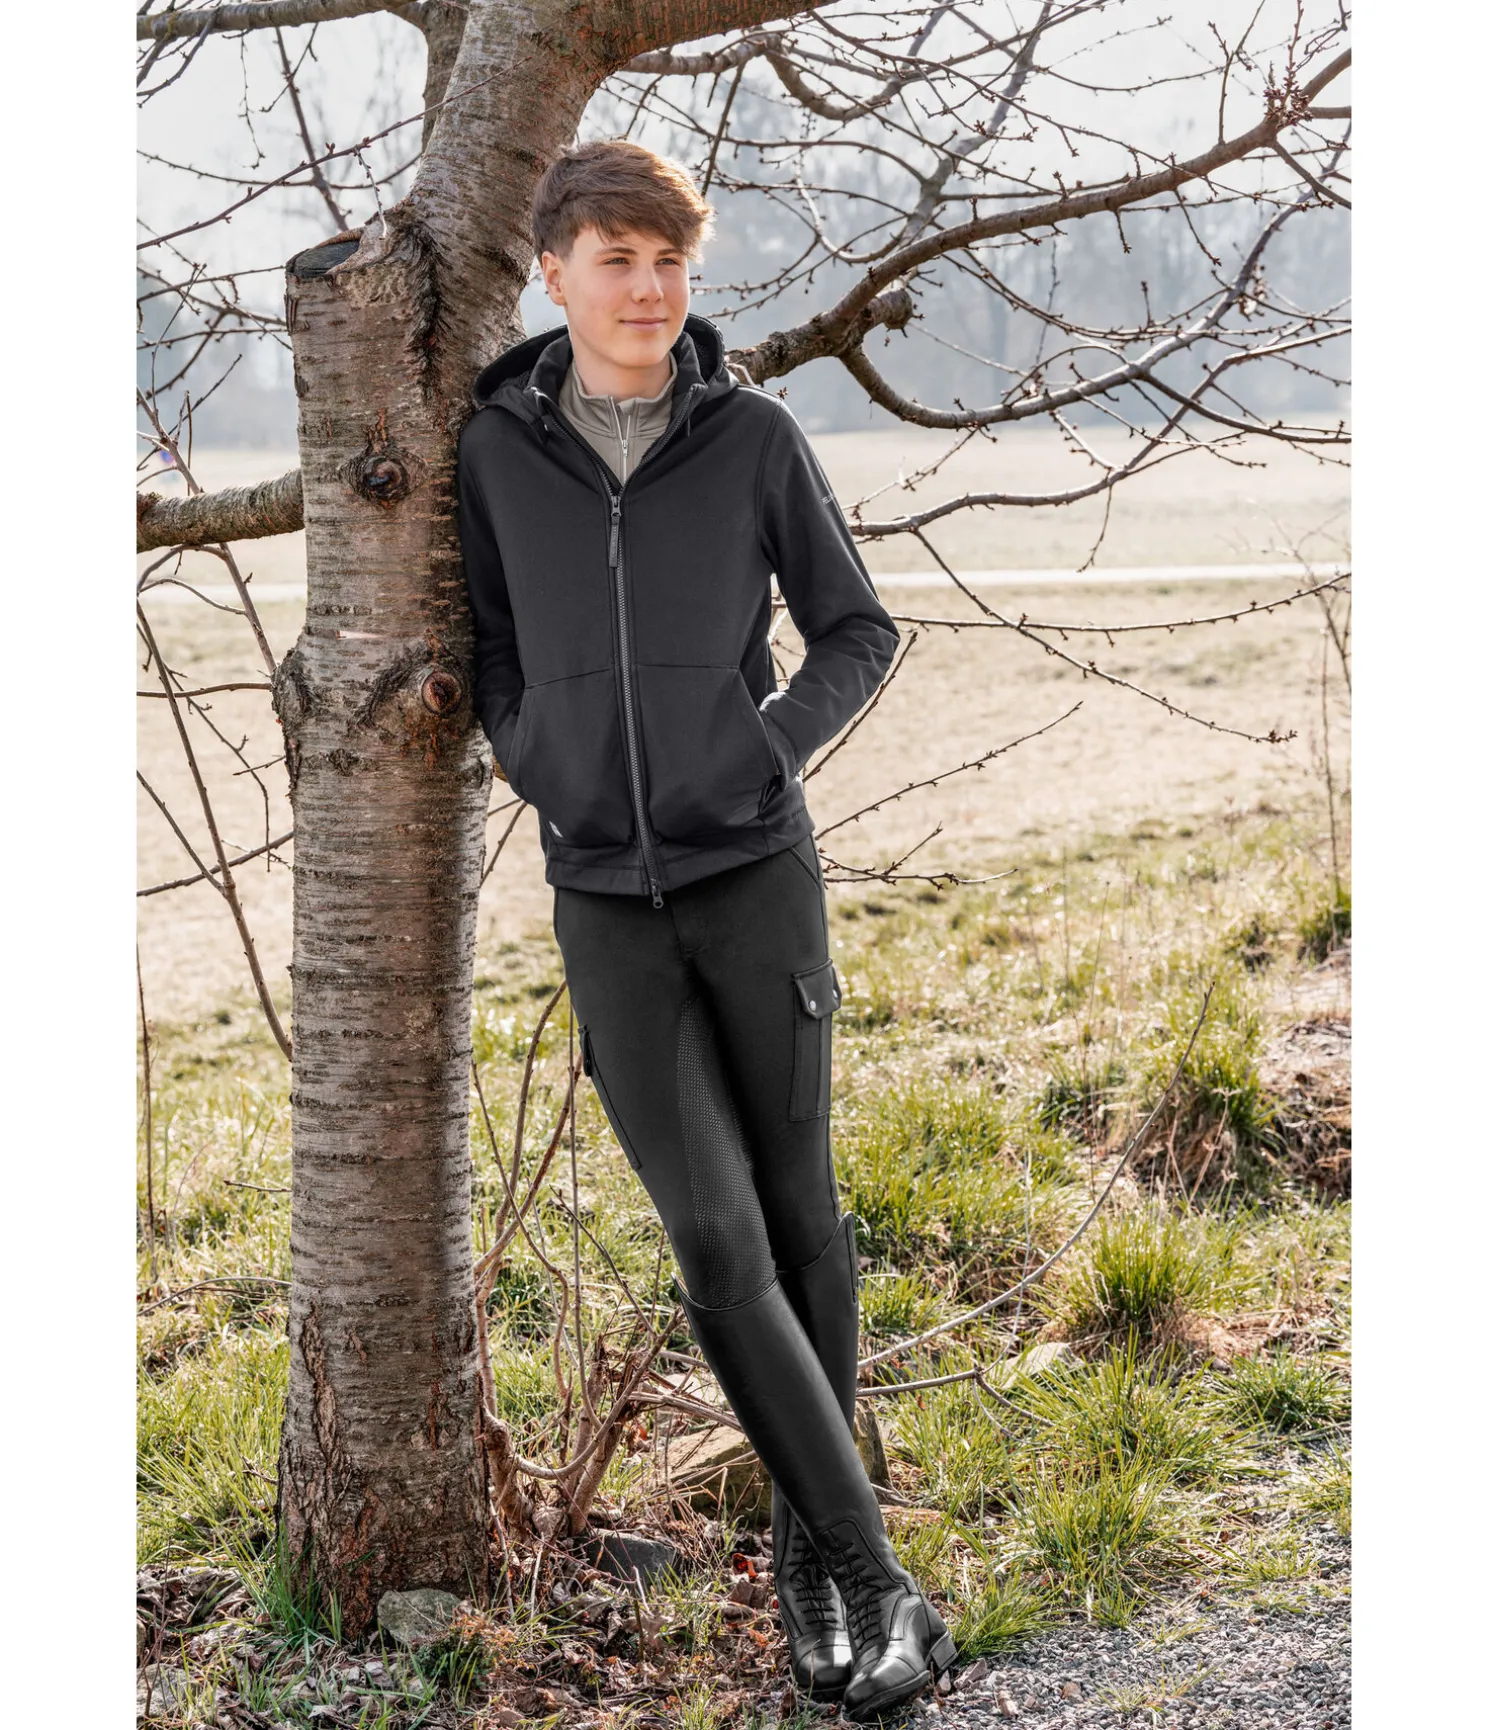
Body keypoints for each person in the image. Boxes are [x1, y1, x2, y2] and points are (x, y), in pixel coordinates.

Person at [456, 137, 955, 1716]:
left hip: (752, 873)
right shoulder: (495, 452)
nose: (648, 287)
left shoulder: (748, 437)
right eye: (616, 258)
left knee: (799, 1211)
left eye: (668, 259)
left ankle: (823, 1572)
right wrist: (535, 751)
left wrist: (763, 749)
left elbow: (857, 628)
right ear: (554, 273)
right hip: (603, 892)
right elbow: (490, 644)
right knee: (717, 1240)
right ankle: (878, 1574)